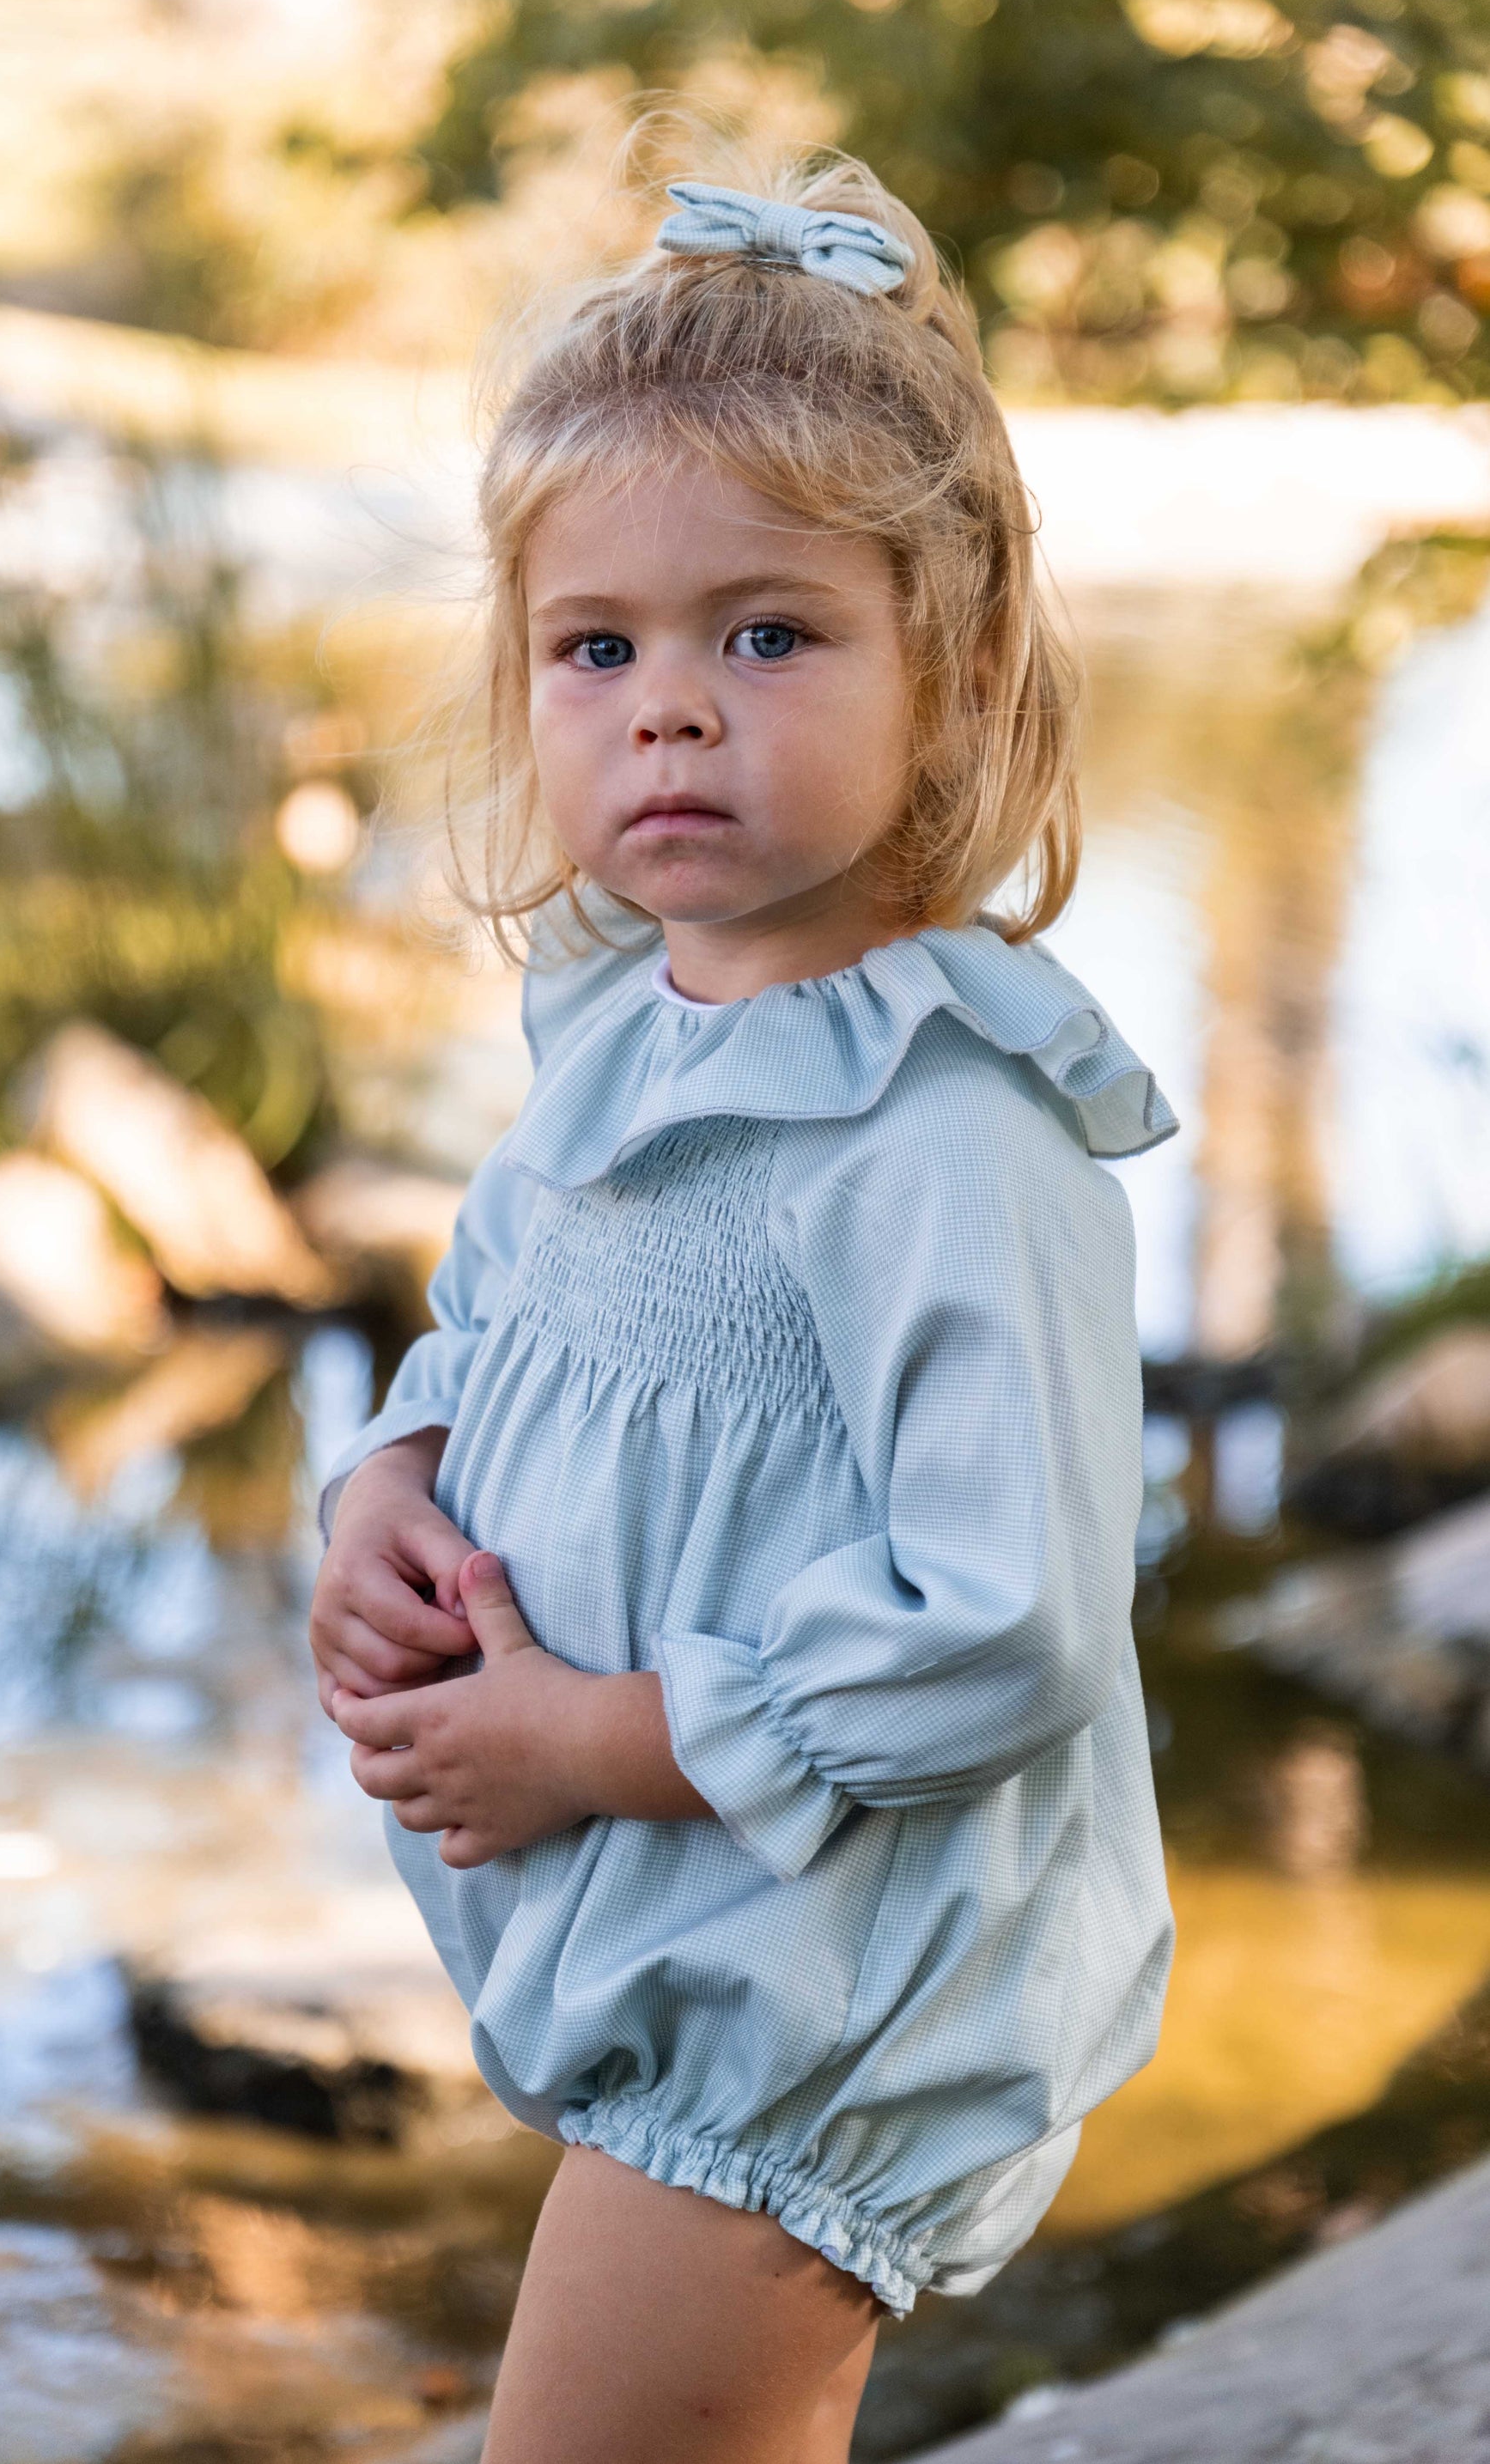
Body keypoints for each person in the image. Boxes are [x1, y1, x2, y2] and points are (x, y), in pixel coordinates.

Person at [310, 152, 1177, 2464]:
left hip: (813, 2002)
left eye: (766, 636)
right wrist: (386, 1480)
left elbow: (1009, 1617)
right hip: (679, 1941)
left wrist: (590, 1745)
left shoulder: (942, 1136)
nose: (666, 713)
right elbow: (490, 1316)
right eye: (596, 647)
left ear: (954, 670)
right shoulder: (630, 1023)